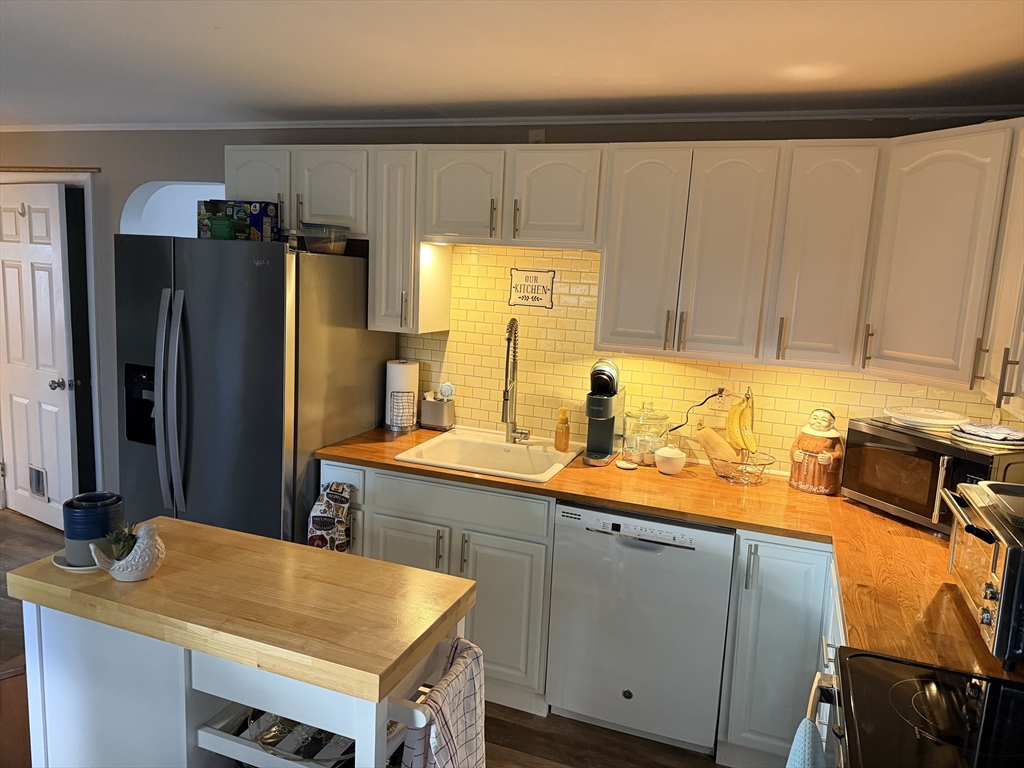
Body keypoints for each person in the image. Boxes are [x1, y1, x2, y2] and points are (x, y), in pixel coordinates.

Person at [789, 408, 844, 495]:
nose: (818, 422)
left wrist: (830, 457)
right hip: (802, 467)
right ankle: (799, 484)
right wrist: (795, 453)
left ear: (831, 423)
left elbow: (839, 453)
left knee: (821, 481)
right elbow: (794, 447)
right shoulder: (803, 434)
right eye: (815, 418)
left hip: (822, 470)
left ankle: (823, 488)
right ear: (809, 419)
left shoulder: (834, 438)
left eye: (823, 420)